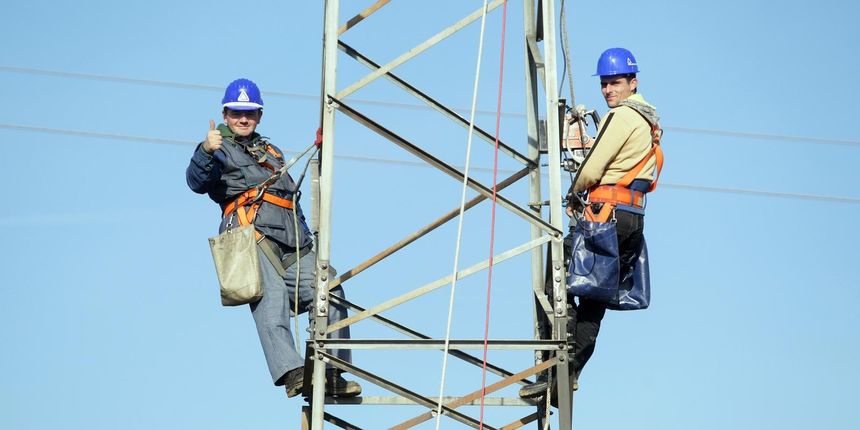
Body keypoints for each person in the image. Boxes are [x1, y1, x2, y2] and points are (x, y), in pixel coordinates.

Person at [186, 78, 361, 398]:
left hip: (293, 241)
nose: (243, 119)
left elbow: (289, 196)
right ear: (225, 115)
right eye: (236, 113)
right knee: (272, 299)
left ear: (259, 116)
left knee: (328, 288)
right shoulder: (218, 148)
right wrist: (205, 151)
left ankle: (332, 371)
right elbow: (197, 181)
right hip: (252, 237)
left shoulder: (271, 151)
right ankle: (293, 372)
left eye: (250, 113)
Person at [520, 47, 661, 402]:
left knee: (557, 281)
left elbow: (593, 167)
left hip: (605, 218)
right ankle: (569, 375)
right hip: (631, 221)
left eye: (615, 83)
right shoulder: (650, 120)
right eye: (604, 84)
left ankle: (553, 370)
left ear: (632, 83)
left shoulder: (623, 116)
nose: (608, 90)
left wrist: (573, 193)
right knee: (594, 300)